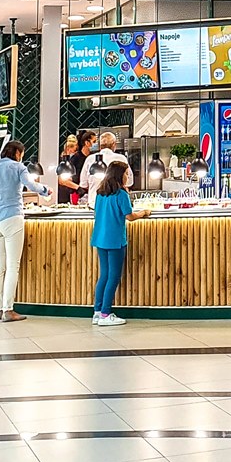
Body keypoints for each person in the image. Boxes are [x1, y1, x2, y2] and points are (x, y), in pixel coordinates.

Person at [0, 140, 51, 322]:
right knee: (12, 266)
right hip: (12, 218)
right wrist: (46, 190)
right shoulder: (18, 167)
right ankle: (8, 309)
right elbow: (32, 186)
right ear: (17, 153)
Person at [90, 161, 150, 327]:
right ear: (119, 175)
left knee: (104, 275)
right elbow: (129, 216)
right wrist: (143, 212)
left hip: (100, 238)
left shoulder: (100, 193)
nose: (127, 177)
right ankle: (106, 313)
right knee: (114, 276)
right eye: (126, 174)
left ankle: (97, 312)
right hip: (115, 239)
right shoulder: (121, 194)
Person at [78, 131, 132, 208]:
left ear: (100, 146)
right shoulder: (121, 159)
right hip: (115, 205)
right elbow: (129, 182)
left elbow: (83, 184)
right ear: (114, 145)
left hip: (94, 204)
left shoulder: (90, 159)